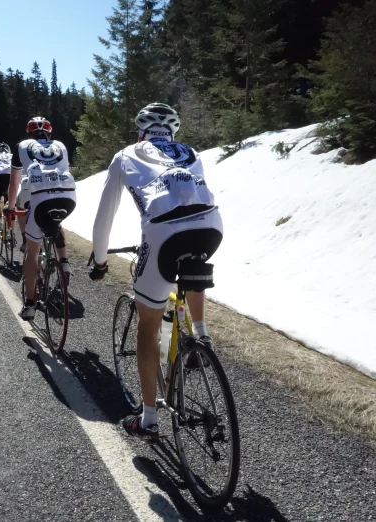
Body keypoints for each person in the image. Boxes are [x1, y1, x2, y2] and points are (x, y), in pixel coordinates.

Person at [89, 103, 223, 441]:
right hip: (212, 226)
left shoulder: (126, 154)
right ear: (172, 133)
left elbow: (105, 215)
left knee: (147, 328)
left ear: (141, 132)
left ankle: (148, 419)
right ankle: (202, 335)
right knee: (193, 262)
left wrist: (101, 261)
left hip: (162, 233)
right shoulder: (189, 152)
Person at [7, 117, 76, 320]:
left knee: (32, 251)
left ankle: (30, 303)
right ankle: (64, 261)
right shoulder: (61, 146)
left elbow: (14, 183)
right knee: (56, 220)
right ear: (49, 133)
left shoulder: (21, 147)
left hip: (36, 196)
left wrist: (10, 208)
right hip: (68, 197)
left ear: (29, 134)